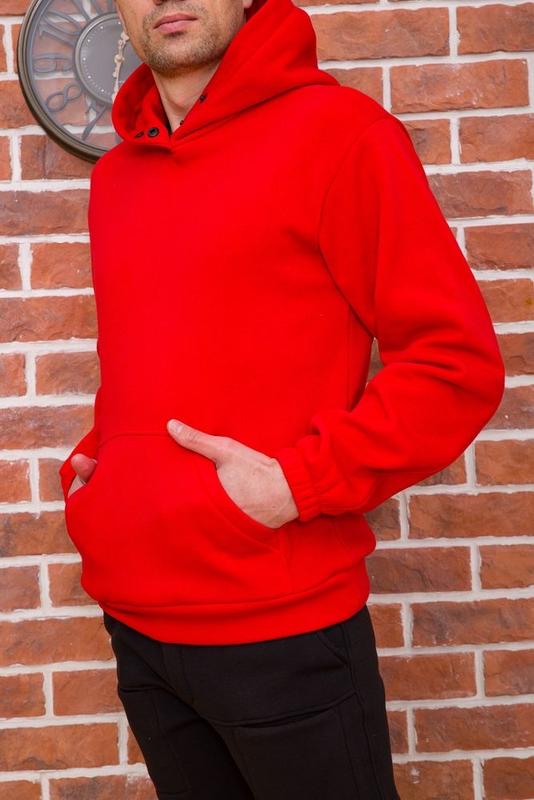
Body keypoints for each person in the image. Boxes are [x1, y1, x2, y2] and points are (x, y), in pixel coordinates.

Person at [58, 0, 505, 796]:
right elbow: (150, 361)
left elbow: (454, 365)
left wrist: (296, 485)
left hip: (284, 633)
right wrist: (106, 478)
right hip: (137, 626)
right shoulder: (119, 177)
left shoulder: (341, 136)